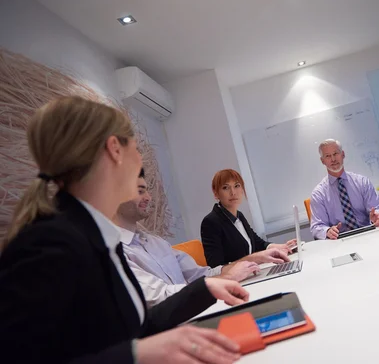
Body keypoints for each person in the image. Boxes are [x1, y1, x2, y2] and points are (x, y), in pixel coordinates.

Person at [0, 96, 247, 364]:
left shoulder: (98, 236)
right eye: (136, 148)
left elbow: (132, 329)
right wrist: (136, 354)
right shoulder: (47, 244)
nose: (140, 159)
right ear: (115, 149)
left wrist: (204, 289)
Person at [115, 168, 291, 305]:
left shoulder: (157, 242)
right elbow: (161, 297)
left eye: (237, 186)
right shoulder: (115, 253)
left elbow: (202, 274)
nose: (148, 197)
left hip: (203, 306)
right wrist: (230, 276)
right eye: (139, 191)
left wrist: (263, 254)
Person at [201, 169, 296, 267]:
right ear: (216, 193)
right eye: (226, 188)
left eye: (237, 186)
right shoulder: (211, 222)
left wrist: (280, 247)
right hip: (235, 280)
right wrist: (255, 258)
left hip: (252, 273)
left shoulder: (239, 216)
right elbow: (216, 267)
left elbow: (257, 242)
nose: (233, 192)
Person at [310, 139, 379, 240]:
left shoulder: (362, 182)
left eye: (335, 153)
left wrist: (378, 217)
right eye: (328, 156)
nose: (333, 159)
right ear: (322, 161)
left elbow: (378, 208)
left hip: (369, 234)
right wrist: (327, 231)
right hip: (339, 241)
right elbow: (316, 227)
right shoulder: (318, 194)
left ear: (343, 155)